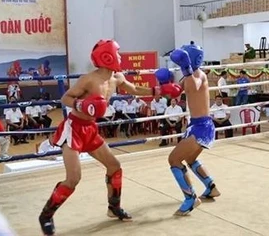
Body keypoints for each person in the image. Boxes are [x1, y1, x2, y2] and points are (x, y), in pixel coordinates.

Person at [38, 39, 182, 236]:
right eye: (118, 53)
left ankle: (113, 208)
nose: (121, 57)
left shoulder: (117, 78)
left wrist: (159, 91)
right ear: (107, 56)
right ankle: (46, 215)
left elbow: (134, 90)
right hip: (74, 129)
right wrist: (82, 105)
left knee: (114, 167)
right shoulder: (89, 79)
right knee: (73, 179)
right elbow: (65, 98)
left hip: (90, 128)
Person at [167, 42, 221, 216]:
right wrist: (164, 83)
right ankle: (211, 187)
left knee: (174, 159)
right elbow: (175, 92)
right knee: (190, 159)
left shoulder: (199, 75)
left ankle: (191, 198)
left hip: (202, 126)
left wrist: (187, 68)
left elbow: (195, 85)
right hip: (196, 126)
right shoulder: (187, 76)